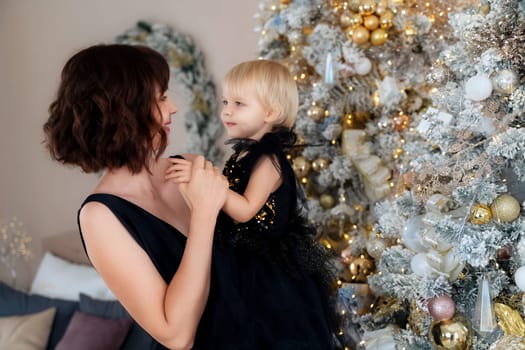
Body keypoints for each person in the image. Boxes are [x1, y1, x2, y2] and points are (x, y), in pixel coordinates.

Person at [43, 44, 229, 350]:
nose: (173, 109)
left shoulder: (190, 168)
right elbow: (177, 335)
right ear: (126, 112)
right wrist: (205, 216)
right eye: (161, 98)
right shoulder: (99, 216)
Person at [167, 60, 339, 349]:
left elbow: (246, 210)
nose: (227, 111)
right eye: (225, 101)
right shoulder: (242, 155)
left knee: (263, 333)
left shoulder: (269, 160)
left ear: (271, 113)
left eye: (239, 103)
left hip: (265, 264)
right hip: (238, 253)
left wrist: (205, 179)